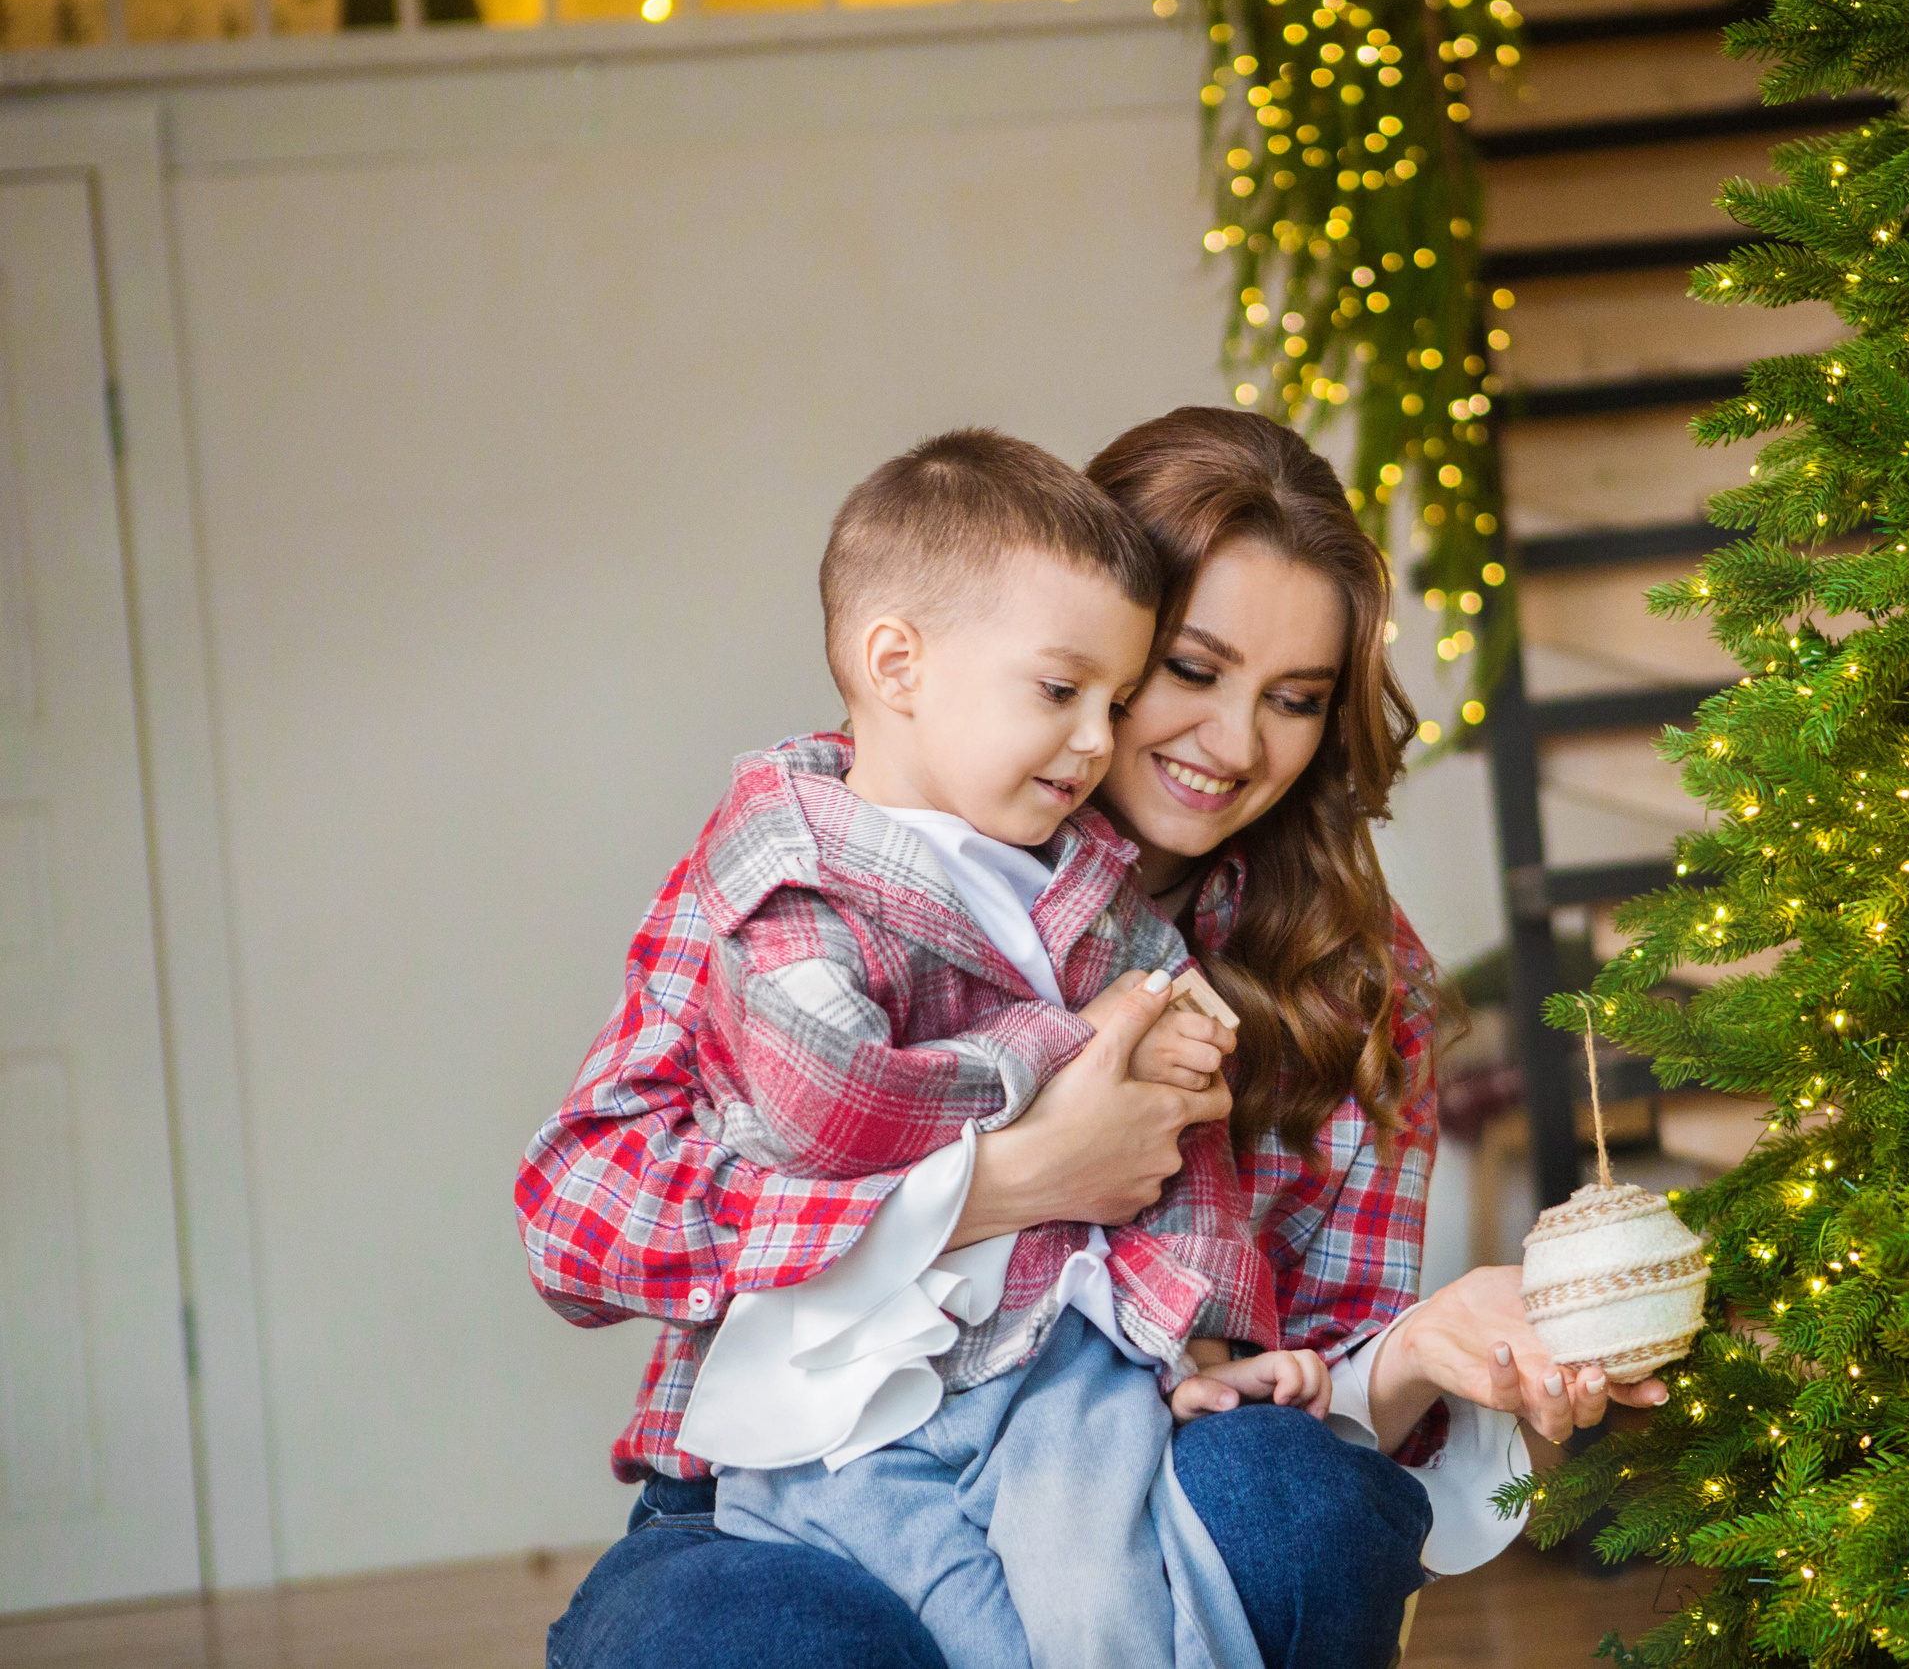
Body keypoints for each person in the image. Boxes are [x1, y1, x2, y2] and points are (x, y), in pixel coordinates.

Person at [521, 408, 1669, 1669]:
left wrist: (1413, 1352)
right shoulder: (825, 852)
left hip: (1110, 1464)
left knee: (1299, 1504)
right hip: (797, 1485)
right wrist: (1012, 1179)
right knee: (747, 1642)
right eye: (1189, 672)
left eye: (1293, 700)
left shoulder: (1356, 978)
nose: (1236, 746)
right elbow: (576, 1216)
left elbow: (1302, 1395)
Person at [555, 428, 1334, 1669]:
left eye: (1295, 699)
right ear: (898, 664)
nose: (1098, 739)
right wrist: (1046, 1100)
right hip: (836, 1418)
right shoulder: (787, 865)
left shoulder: (1097, 892)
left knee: (1121, 1605)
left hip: (1064, 1364)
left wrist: (1199, 1344)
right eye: (1171, 676)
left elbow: (1196, 1150)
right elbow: (810, 1114)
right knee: (933, 1631)